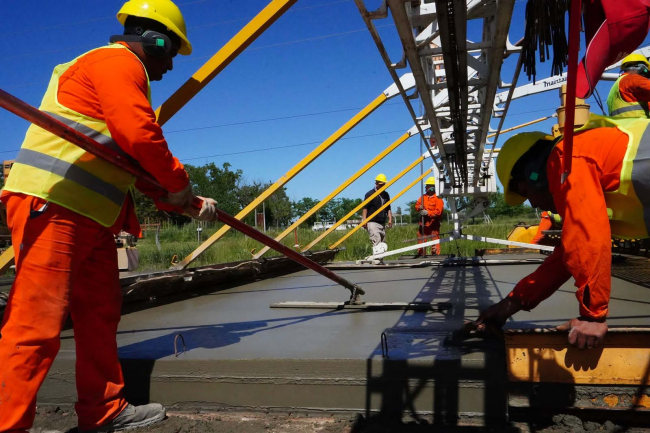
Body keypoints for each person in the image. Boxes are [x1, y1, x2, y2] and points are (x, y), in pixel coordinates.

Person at [0, 1, 217, 431]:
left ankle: (103, 410)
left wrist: (187, 199)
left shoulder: (125, 78)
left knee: (99, 314)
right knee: (35, 325)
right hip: (55, 206)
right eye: (171, 53)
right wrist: (178, 181)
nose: (171, 66)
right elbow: (138, 133)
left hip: (93, 218)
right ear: (155, 41)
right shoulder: (115, 62)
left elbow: (133, 162)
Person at [475, 115, 650, 350]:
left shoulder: (568, 158)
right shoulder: (581, 159)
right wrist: (510, 304)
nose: (534, 205)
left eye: (527, 193)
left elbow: (586, 240)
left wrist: (593, 317)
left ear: (534, 176)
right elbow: (569, 253)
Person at [607, 53, 650, 118]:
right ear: (641, 68)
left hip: (621, 126)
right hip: (638, 125)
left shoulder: (617, 85)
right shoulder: (633, 78)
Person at [414, 176, 444, 257]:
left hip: (433, 224)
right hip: (423, 225)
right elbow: (416, 206)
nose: (425, 187)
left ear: (432, 187)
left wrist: (427, 213)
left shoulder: (438, 199)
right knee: (421, 240)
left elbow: (438, 212)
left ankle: (435, 255)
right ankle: (421, 255)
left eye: (427, 185)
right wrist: (419, 208)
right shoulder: (423, 197)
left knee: (435, 241)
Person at [362, 174, 393, 249]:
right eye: (381, 185)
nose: (382, 186)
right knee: (377, 241)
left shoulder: (386, 195)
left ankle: (380, 260)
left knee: (383, 244)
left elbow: (388, 208)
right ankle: (376, 260)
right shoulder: (370, 194)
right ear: (376, 184)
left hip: (382, 222)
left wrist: (390, 219)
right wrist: (364, 220)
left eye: (384, 185)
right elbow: (365, 208)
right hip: (372, 222)